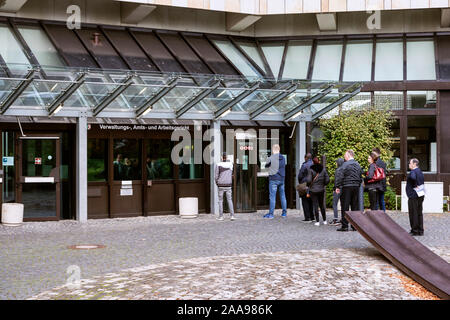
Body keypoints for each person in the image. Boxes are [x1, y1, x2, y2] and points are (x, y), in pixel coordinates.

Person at [335, 150, 363, 232]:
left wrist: (337, 186)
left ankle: (345, 226)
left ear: (348, 155)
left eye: (345, 155)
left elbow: (340, 176)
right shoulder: (358, 164)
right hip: (356, 187)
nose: (344, 157)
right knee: (355, 206)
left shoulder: (345, 165)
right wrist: (358, 183)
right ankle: (354, 226)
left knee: (345, 206)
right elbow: (360, 175)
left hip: (346, 186)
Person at [263, 144, 287, 219]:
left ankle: (271, 214)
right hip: (282, 179)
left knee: (272, 197)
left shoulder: (271, 158)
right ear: (279, 149)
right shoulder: (283, 158)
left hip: (273, 179)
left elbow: (266, 166)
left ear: (273, 150)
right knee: (282, 196)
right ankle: (284, 213)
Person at [306, 157, 330, 226]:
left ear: (313, 162)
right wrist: (323, 184)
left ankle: (317, 221)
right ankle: (325, 220)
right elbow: (327, 180)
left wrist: (308, 185)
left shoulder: (310, 170)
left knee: (315, 205)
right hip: (321, 190)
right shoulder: (323, 169)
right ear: (319, 161)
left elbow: (308, 180)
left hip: (313, 190)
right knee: (321, 204)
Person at [406, 158, 425, 236]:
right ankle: (421, 230)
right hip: (420, 194)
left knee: (413, 213)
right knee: (419, 212)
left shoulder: (413, 171)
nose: (409, 165)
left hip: (413, 195)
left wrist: (414, 185)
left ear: (414, 164)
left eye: (410, 163)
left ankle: (414, 230)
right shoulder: (420, 171)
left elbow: (413, 178)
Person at [215, 153, 235, 221]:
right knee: (229, 200)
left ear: (221, 157)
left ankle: (221, 216)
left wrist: (217, 183)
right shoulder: (230, 164)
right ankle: (232, 216)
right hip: (228, 184)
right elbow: (232, 174)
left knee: (220, 201)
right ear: (226, 158)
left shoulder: (218, 164)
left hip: (220, 185)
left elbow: (216, 176)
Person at [297, 153, 314, 222]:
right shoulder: (314, 164)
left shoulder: (304, 165)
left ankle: (307, 217)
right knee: (311, 201)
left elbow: (300, 176)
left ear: (306, 158)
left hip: (305, 184)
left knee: (305, 201)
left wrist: (301, 182)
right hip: (312, 185)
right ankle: (312, 216)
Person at [372, 147, 387, 213]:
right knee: (382, 201)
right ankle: (383, 214)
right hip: (382, 184)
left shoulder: (375, 163)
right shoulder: (383, 163)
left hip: (377, 184)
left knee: (376, 202)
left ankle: (377, 216)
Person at [331, 158, 345, 226]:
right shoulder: (344, 169)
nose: (336, 163)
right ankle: (343, 218)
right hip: (343, 188)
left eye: (337, 162)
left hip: (338, 188)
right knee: (343, 204)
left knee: (334, 203)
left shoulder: (338, 170)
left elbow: (337, 180)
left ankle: (335, 219)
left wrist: (336, 187)